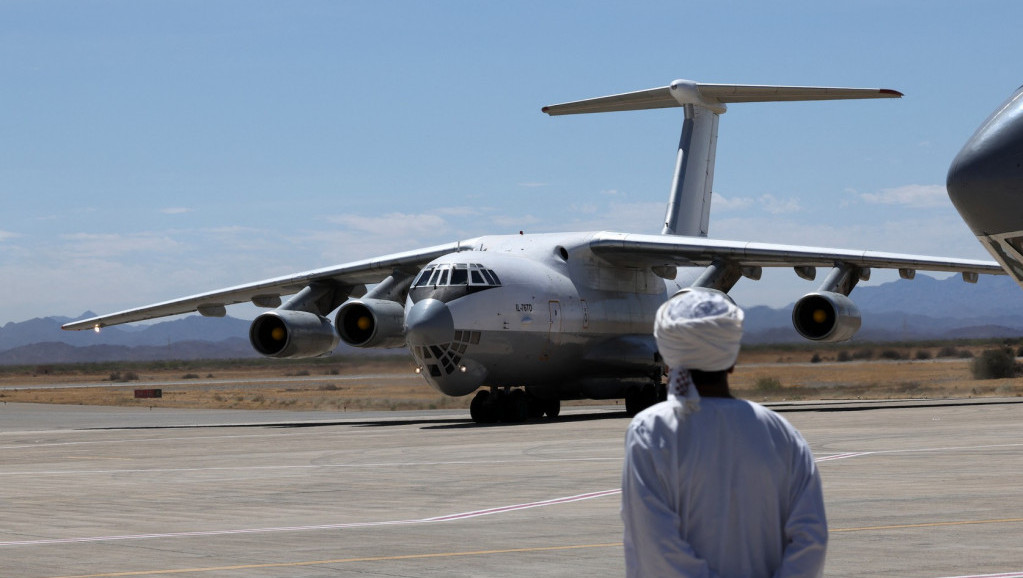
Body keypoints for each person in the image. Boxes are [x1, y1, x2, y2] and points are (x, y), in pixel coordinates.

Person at [621, 288, 827, 577]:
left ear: (669, 357)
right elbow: (811, 540)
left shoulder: (652, 432)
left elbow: (657, 549)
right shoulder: (781, 433)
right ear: (731, 359)